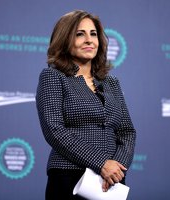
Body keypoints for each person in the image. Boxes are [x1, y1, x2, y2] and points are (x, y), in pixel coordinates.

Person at [36, 10, 136, 200]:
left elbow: (127, 131)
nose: (89, 40)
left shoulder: (111, 82)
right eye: (80, 34)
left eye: (93, 34)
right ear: (64, 39)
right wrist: (101, 163)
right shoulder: (52, 77)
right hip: (69, 178)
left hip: (111, 183)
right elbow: (54, 130)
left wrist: (116, 168)